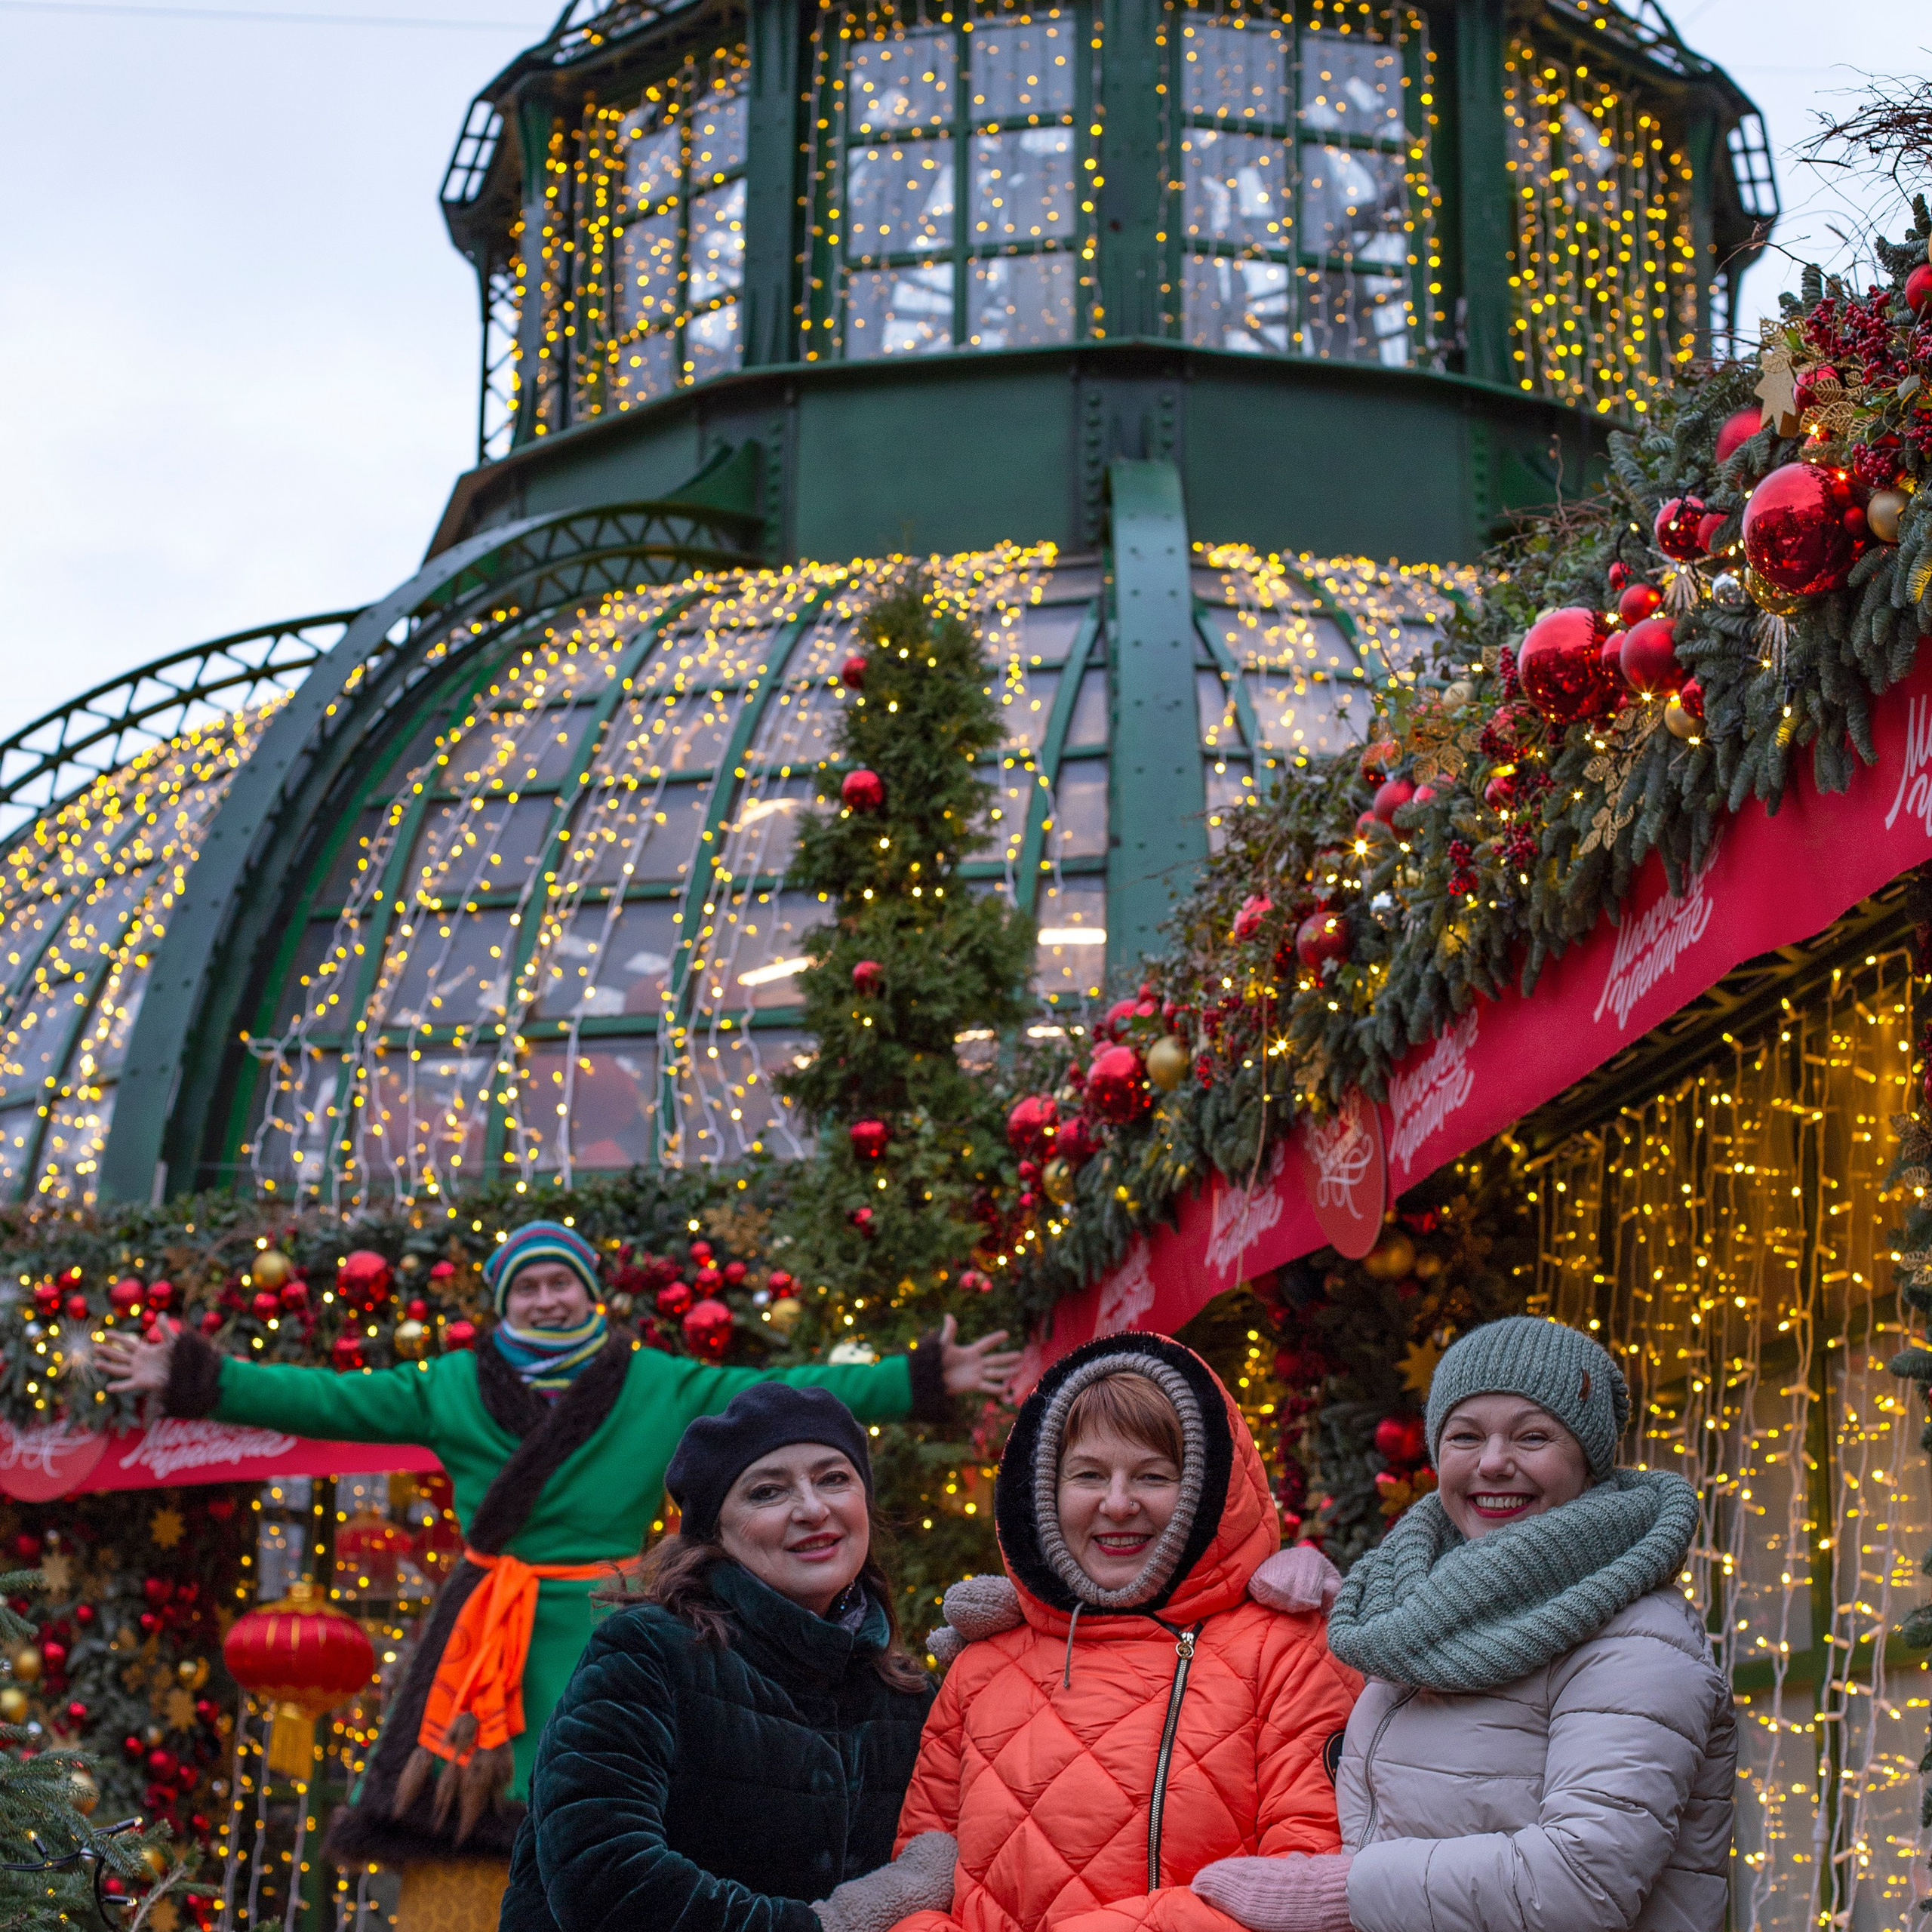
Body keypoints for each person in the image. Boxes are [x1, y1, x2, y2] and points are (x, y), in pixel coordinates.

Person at [99, 1220, 1017, 1908]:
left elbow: (790, 1404)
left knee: (646, 1810)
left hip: (620, 1613)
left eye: (560, 1283)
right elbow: (325, 1397)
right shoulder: (448, 1384)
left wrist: (917, 1377)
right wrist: (194, 1377)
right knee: (496, 1836)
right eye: (525, 1286)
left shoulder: (657, 1381)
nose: (545, 1299)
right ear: (502, 1303)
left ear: (591, 1295)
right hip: (489, 1636)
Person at [1189, 1315, 1734, 1932]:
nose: (1494, 1463)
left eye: (1532, 1437)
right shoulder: (1414, 1613)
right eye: (1465, 1437)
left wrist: (1342, 1894)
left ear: (1589, 1462)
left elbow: (1581, 1883)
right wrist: (1310, 1598)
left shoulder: (1637, 1638)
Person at [891, 1331, 1361, 1932]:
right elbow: (919, 1879)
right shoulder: (981, 1667)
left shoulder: (1285, 1650)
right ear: (1043, 1494)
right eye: (1088, 1475)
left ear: (1207, 1490)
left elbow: (1310, 1880)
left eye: (1153, 1477)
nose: (1117, 1504)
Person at [503, 1382, 955, 1932]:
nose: (813, 1509)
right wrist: (822, 1927)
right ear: (716, 1530)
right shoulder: (645, 1654)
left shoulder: (906, 1697)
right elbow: (602, 1876)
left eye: (834, 1478)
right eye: (768, 1491)